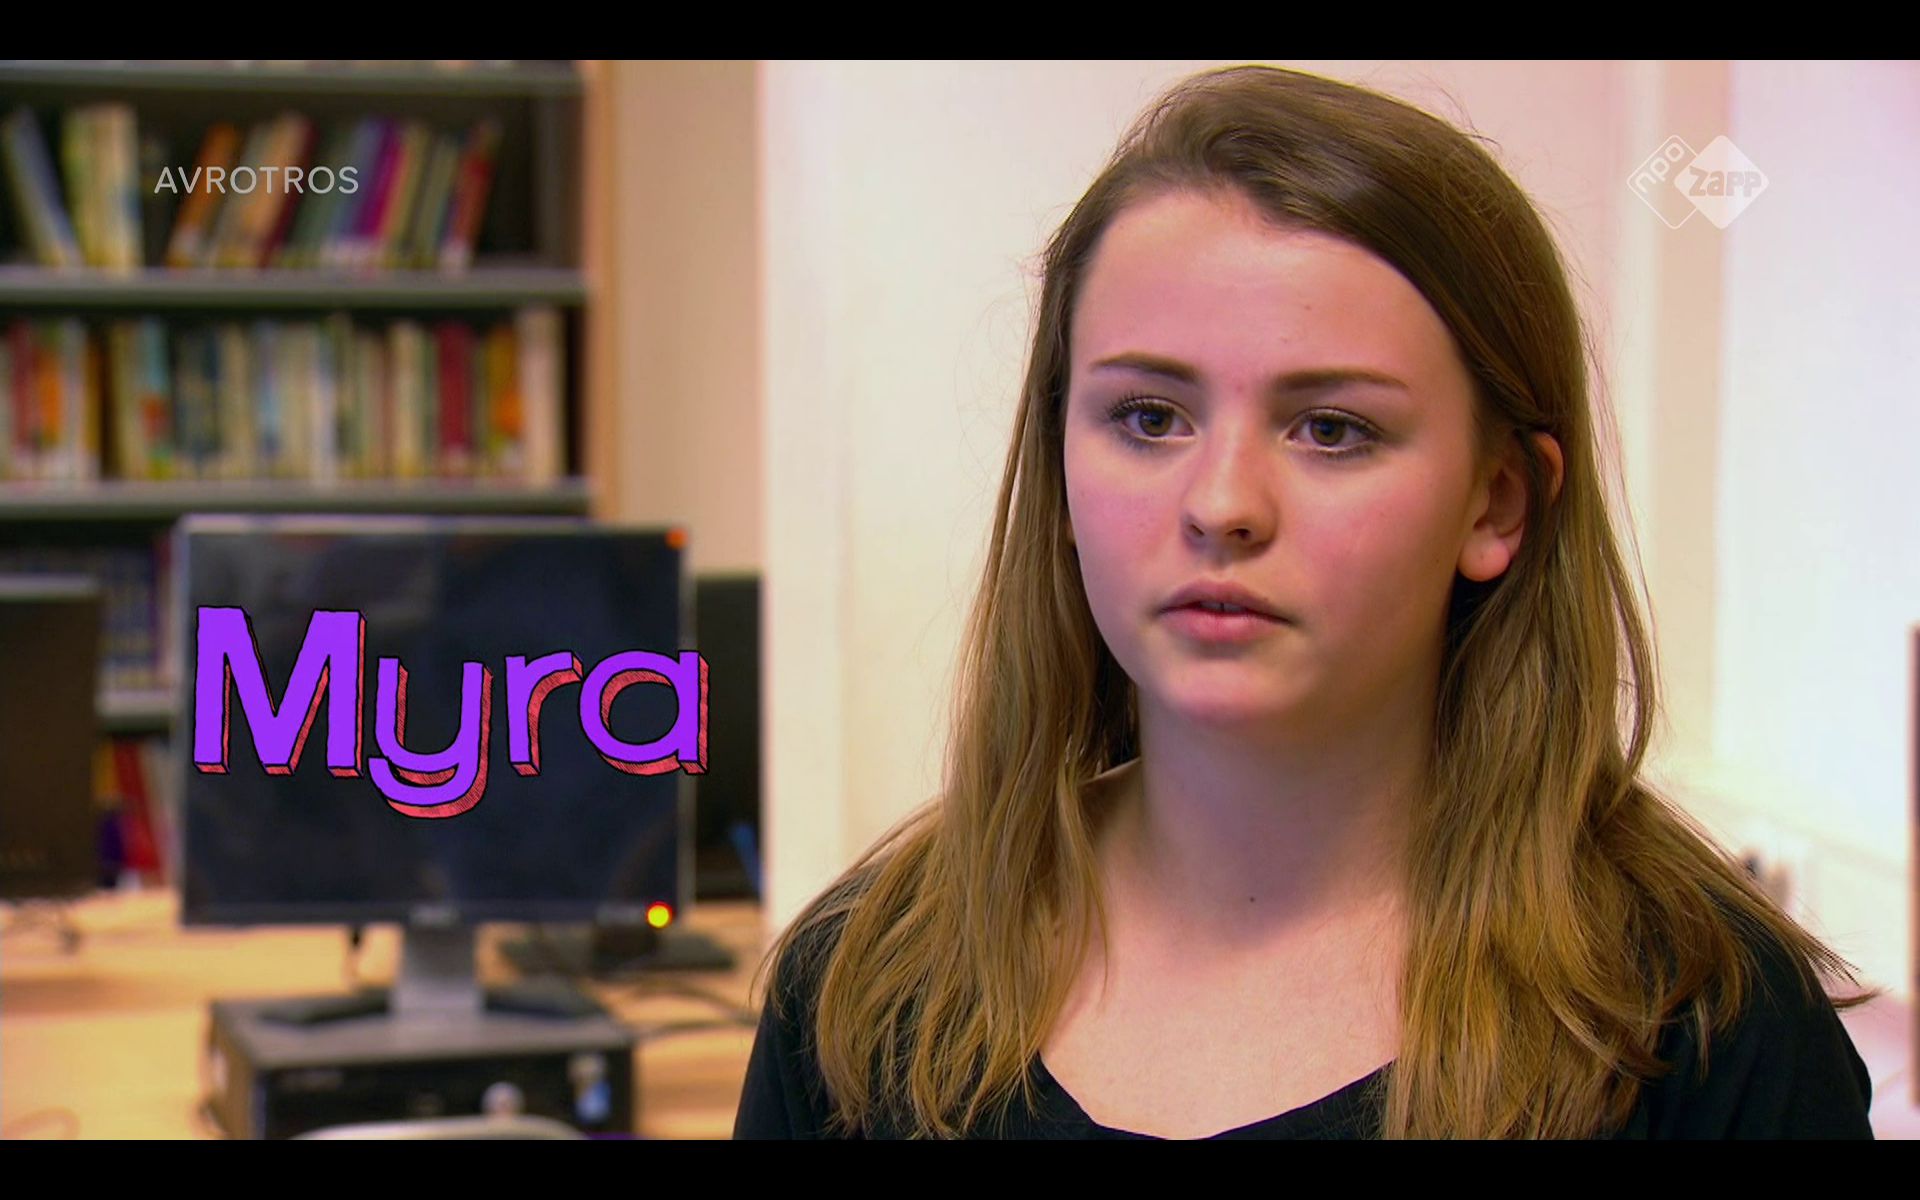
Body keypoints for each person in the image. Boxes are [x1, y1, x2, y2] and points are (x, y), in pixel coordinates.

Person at [733, 64, 1880, 1140]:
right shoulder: (864, 991)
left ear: (1497, 502)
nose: (1223, 504)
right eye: (1148, 417)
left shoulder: (1704, 1032)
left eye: (1332, 429)